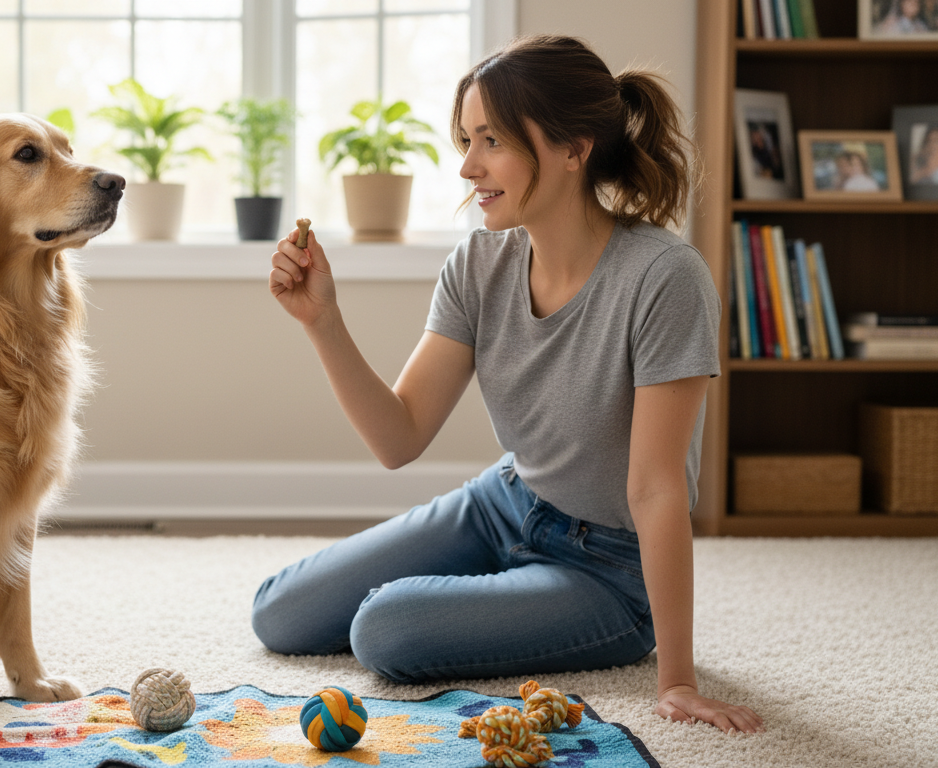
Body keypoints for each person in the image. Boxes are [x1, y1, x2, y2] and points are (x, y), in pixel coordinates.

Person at [254, 34, 764, 735]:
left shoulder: (664, 279)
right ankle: (503, 594)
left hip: (609, 569)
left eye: (490, 140)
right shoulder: (480, 263)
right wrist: (323, 321)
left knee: (385, 631)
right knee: (279, 612)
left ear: (573, 147)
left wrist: (677, 679)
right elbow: (399, 437)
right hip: (508, 502)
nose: (467, 166)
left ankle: (527, 606)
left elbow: (655, 487)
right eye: (465, 139)